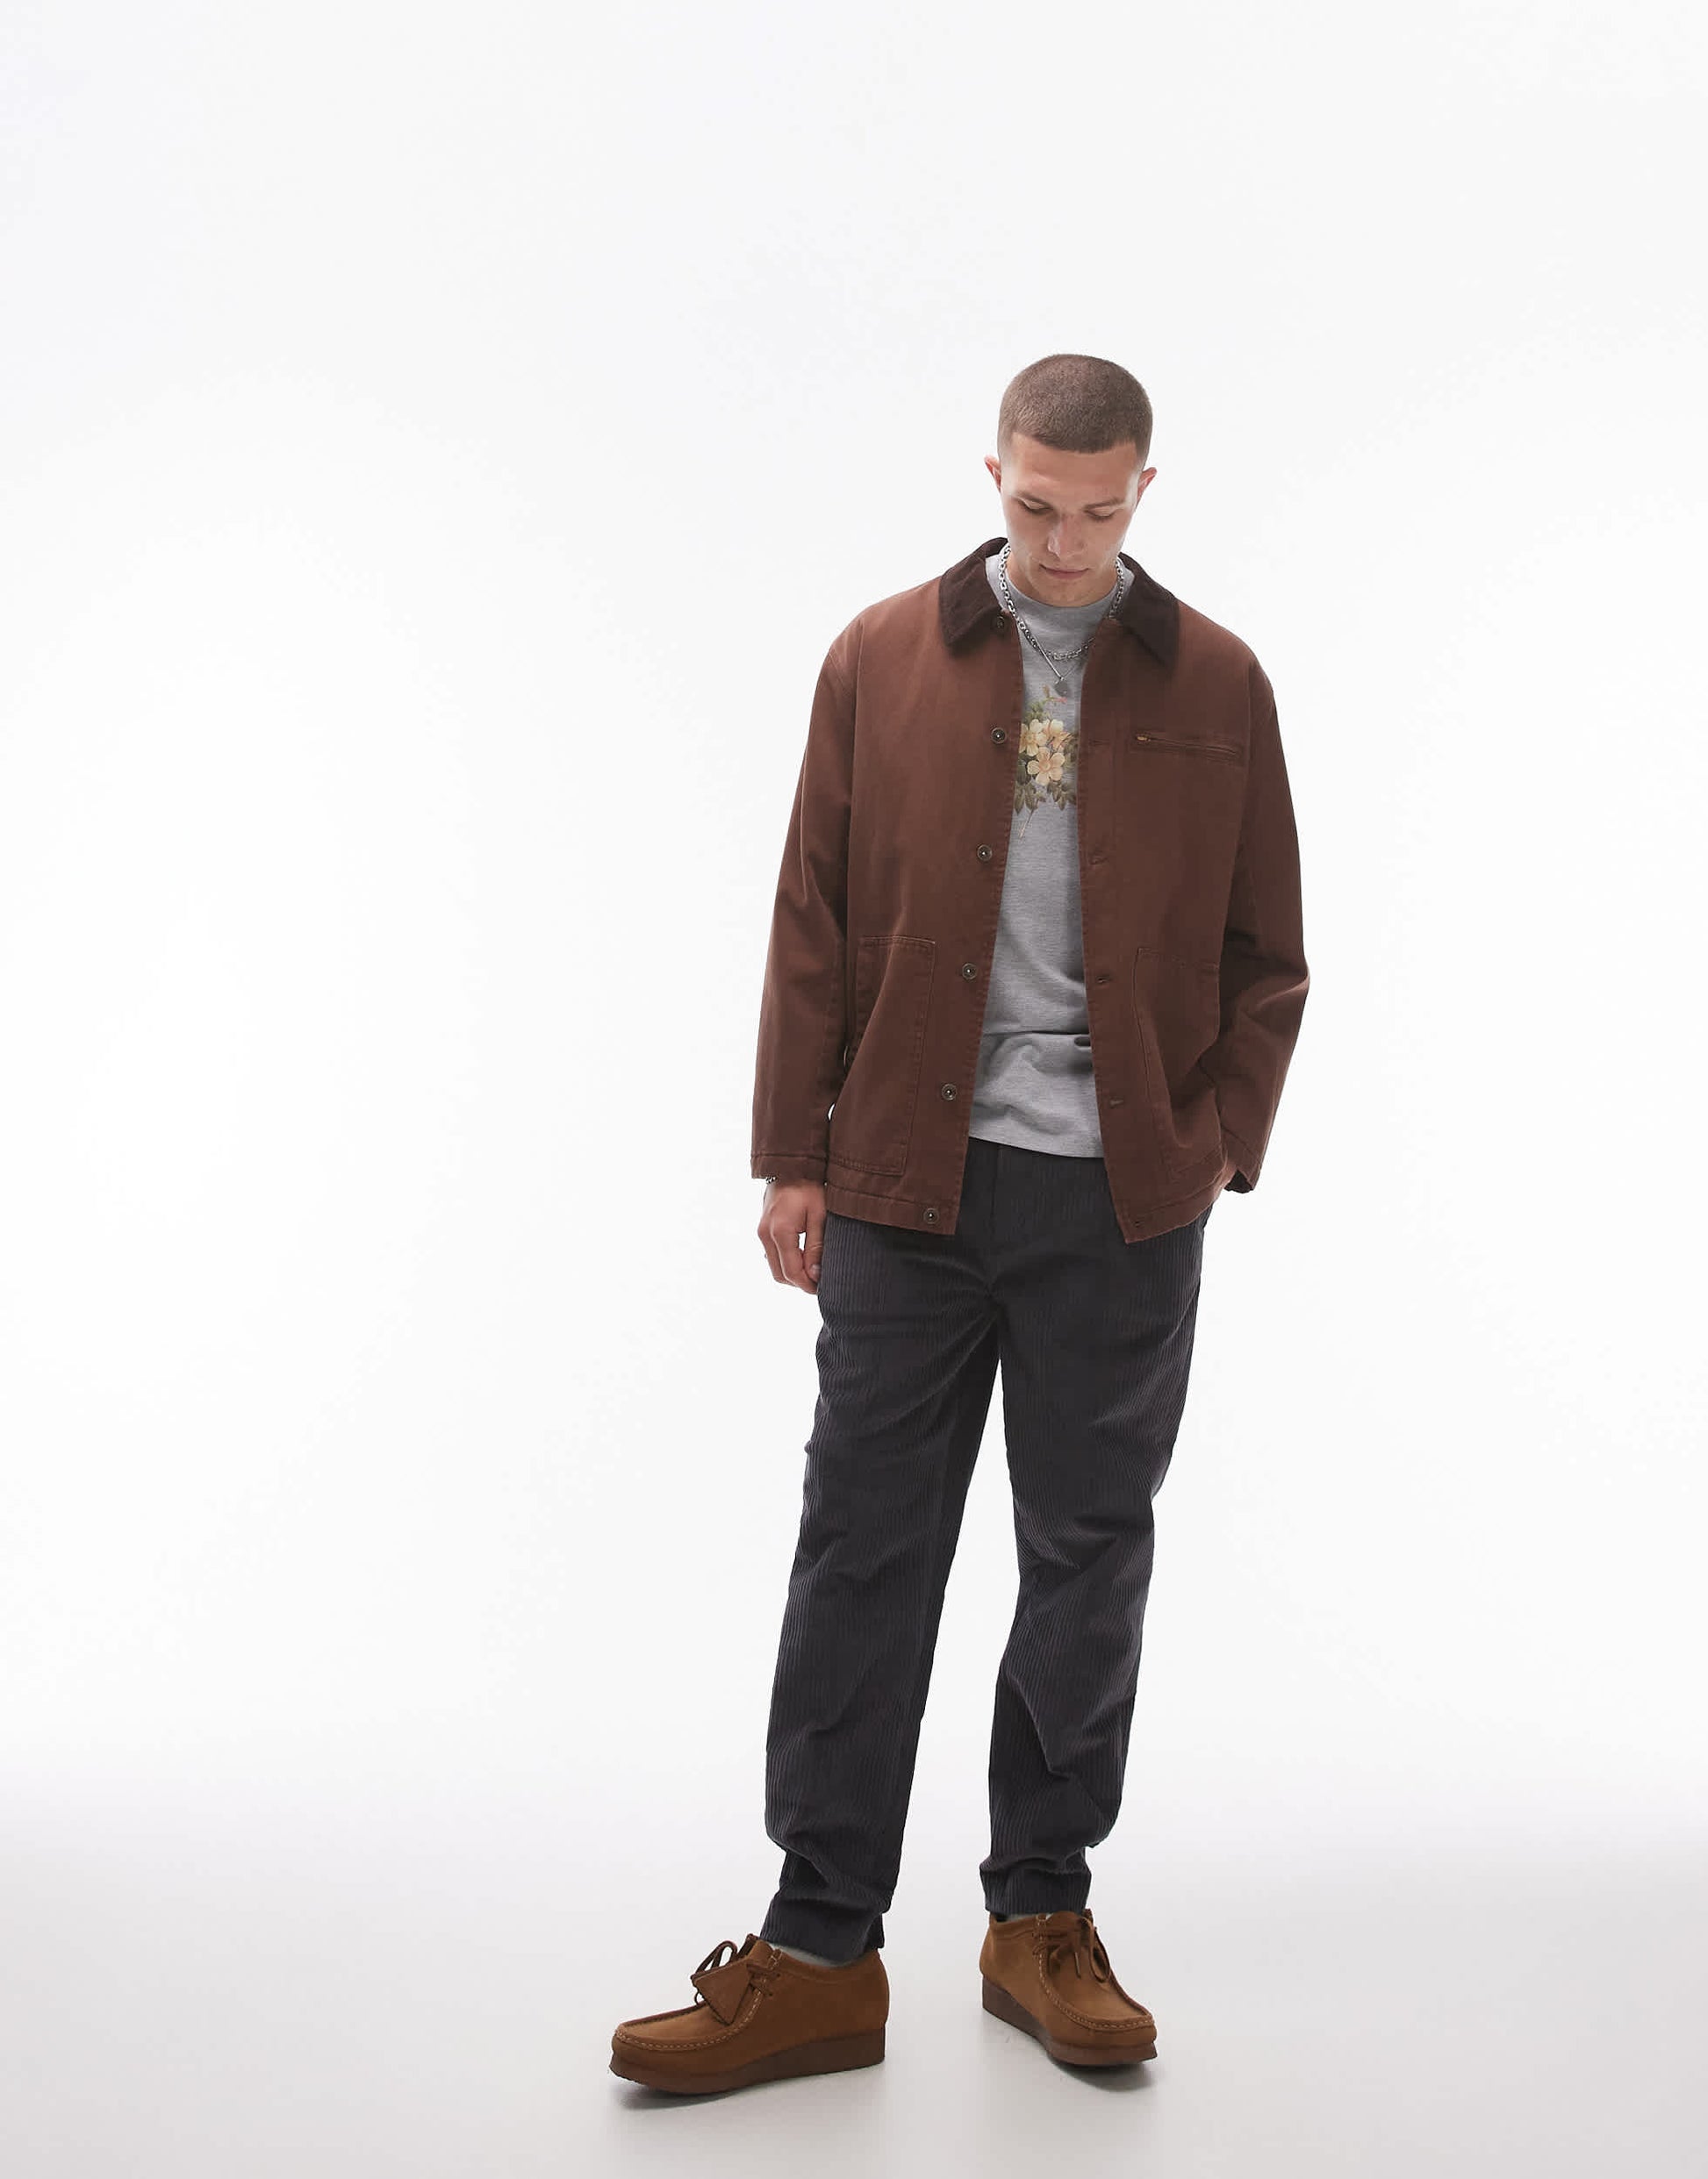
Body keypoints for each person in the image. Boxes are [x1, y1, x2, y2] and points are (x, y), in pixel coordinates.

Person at [609, 353, 1309, 2095]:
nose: (1064, 541)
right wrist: (793, 1158)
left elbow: (1268, 951)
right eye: (1035, 504)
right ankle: (816, 1950)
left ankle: (1038, 1918)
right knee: (862, 1549)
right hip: (902, 1188)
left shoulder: (1219, 680)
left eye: (1098, 510)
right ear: (991, 475)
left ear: (1143, 492)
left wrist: (1208, 1149)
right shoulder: (879, 657)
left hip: (1120, 1203)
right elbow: (811, 912)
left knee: (1087, 1554)